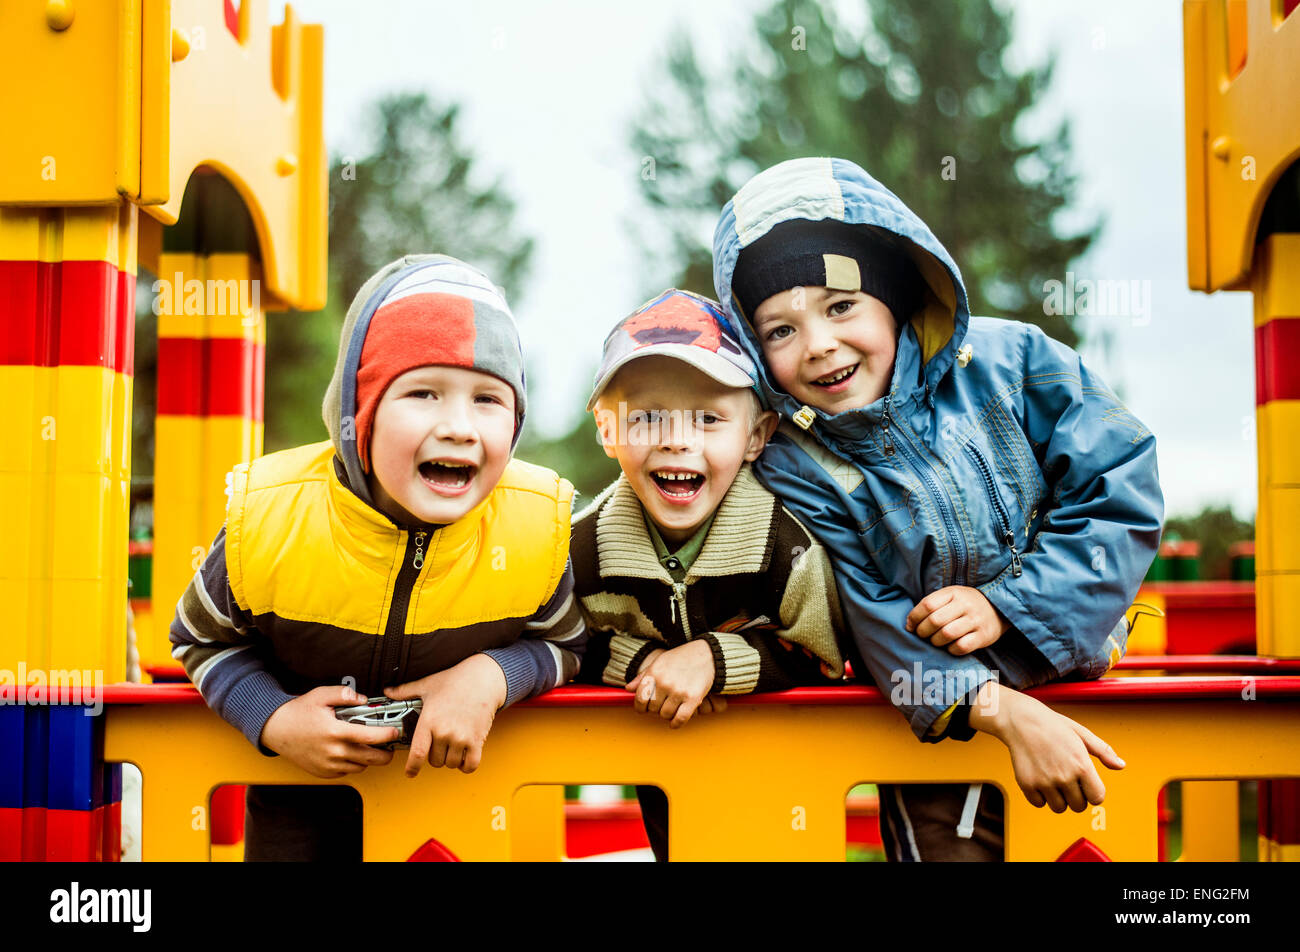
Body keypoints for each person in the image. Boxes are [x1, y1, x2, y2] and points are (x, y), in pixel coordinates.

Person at [711, 157, 1164, 861]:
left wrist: (1008, 607)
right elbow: (867, 610)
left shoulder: (1013, 363)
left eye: (840, 306)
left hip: (1086, 698)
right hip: (943, 729)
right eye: (780, 331)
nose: (819, 344)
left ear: (893, 296)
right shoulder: (797, 465)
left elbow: (1118, 487)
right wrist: (998, 710)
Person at [168, 254, 586, 860]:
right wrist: (274, 718)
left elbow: (567, 644)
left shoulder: (534, 530)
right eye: (423, 393)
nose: (460, 427)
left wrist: (490, 676)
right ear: (357, 415)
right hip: (301, 821)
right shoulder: (270, 519)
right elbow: (200, 639)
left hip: (464, 813)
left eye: (488, 400)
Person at [574, 289, 846, 860]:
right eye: (647, 417)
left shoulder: (787, 547)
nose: (677, 438)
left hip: (788, 779)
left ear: (756, 436)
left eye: (708, 418)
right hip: (664, 766)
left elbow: (823, 656)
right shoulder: (582, 548)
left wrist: (714, 661)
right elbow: (570, 644)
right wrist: (646, 664)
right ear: (607, 429)